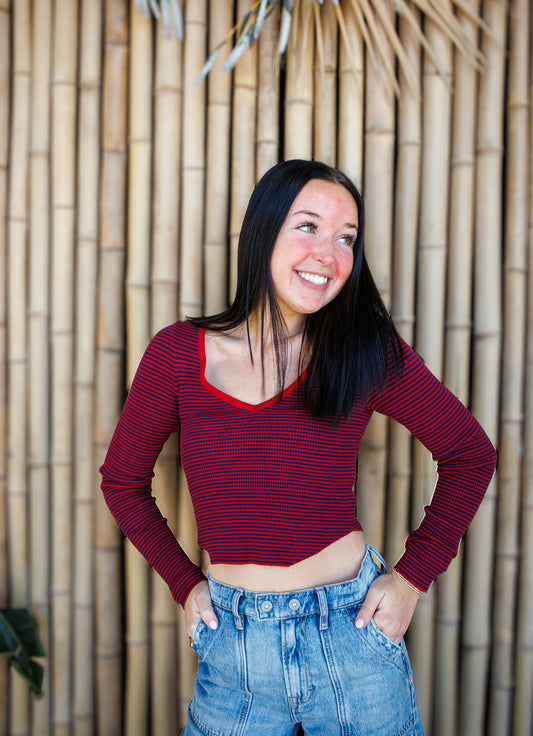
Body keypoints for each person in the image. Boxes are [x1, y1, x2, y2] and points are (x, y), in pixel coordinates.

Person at [101, 159, 497, 736]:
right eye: (308, 226)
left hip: (352, 637)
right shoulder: (178, 354)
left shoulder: (363, 350)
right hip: (234, 649)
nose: (328, 255)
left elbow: (470, 454)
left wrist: (412, 579)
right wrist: (184, 584)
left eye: (346, 239)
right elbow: (122, 482)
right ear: (263, 231)